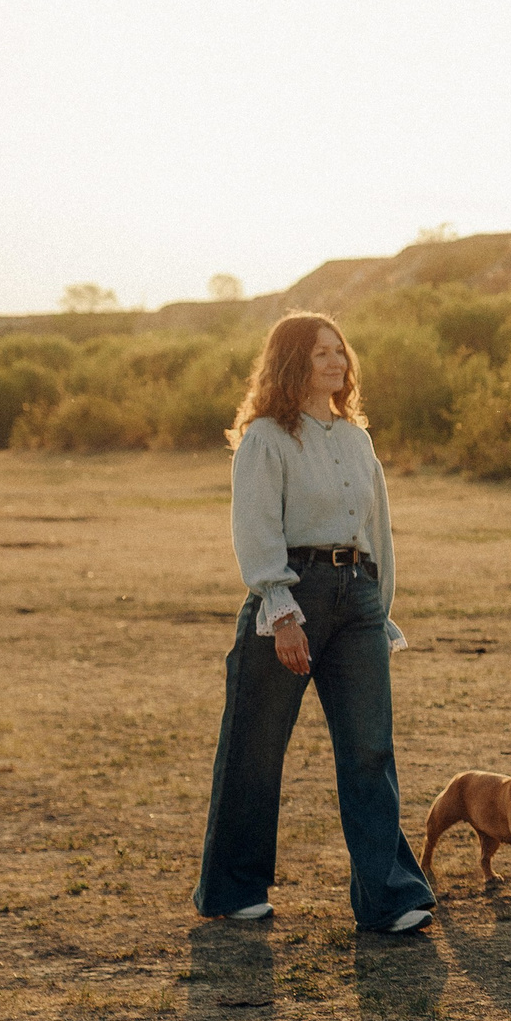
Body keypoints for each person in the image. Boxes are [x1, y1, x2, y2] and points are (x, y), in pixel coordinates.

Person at [195, 312, 438, 935]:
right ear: (291, 363)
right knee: (254, 749)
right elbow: (255, 527)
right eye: (320, 353)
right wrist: (281, 611)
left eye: (340, 351)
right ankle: (233, 889)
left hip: (357, 601)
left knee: (369, 749)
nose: (336, 362)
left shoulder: (357, 439)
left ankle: (387, 899)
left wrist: (379, 608)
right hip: (292, 596)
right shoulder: (266, 439)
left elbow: (377, 531)